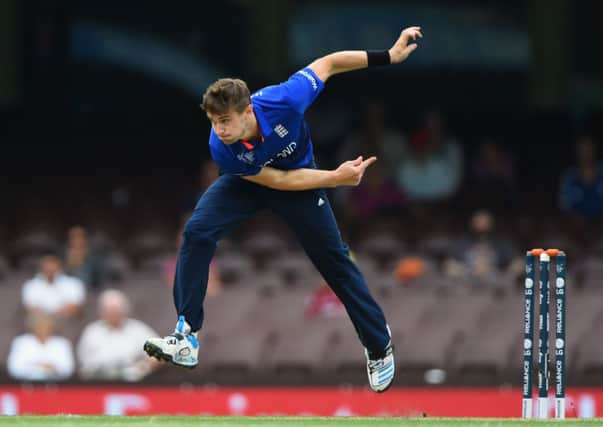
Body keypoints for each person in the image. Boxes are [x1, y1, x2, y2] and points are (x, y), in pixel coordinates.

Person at [144, 26, 423, 393]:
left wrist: (388, 55)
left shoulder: (285, 100)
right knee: (197, 231)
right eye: (214, 122)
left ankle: (378, 345)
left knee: (334, 262)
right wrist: (335, 178)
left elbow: (328, 63)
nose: (220, 129)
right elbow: (276, 183)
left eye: (225, 121)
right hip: (254, 181)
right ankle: (186, 336)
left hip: (300, 178)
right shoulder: (222, 147)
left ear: (247, 111)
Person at [77, 289, 160, 382]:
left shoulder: (138, 329)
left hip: (134, 382)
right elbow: (83, 363)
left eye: (116, 311)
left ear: (124, 311)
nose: (113, 315)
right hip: (98, 383)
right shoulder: (92, 332)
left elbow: (160, 352)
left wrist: (143, 368)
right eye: (109, 311)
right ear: (102, 312)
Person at [7, 312, 75, 382]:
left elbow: (68, 369)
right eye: (40, 325)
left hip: (57, 386)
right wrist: (39, 368)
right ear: (33, 326)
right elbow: (14, 368)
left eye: (47, 325)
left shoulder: (62, 343)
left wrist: (51, 369)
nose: (43, 328)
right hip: (25, 385)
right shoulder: (21, 342)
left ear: (52, 327)